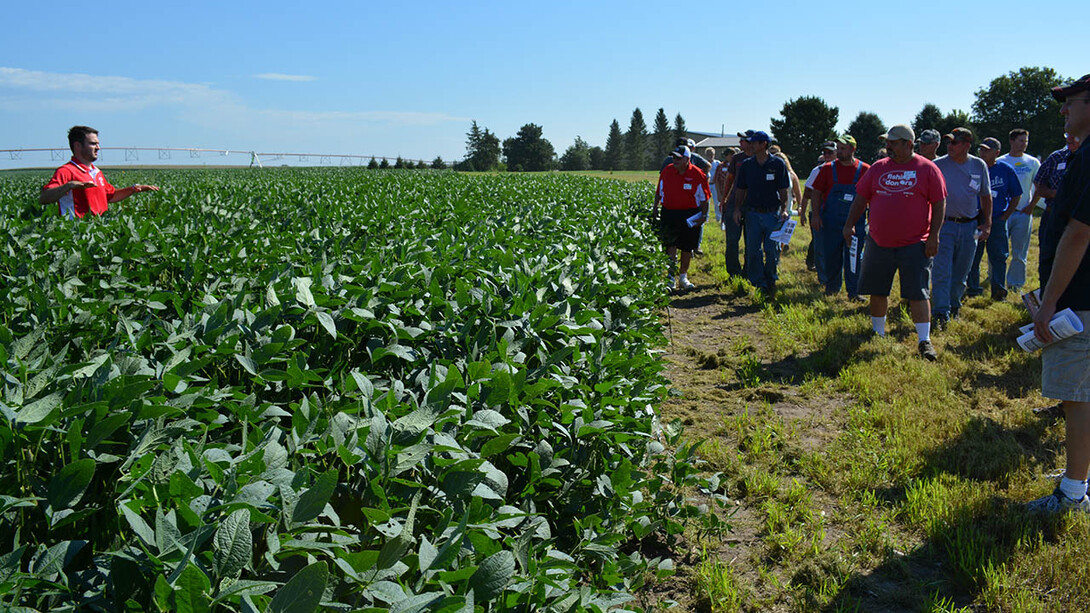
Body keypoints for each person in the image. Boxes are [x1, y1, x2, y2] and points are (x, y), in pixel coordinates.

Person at [1024, 74, 1090, 514]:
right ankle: (1080, 475)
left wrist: (1048, 304)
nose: (1063, 109)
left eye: (1071, 101)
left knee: (1078, 397)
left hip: (1079, 299)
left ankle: (1071, 494)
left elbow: (1079, 233)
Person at [843, 124, 947, 360]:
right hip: (879, 241)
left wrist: (934, 235)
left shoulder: (928, 169)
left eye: (893, 142)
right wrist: (849, 224)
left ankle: (924, 340)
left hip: (915, 243)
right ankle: (878, 334)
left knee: (918, 293)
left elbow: (940, 204)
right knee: (877, 290)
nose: (888, 146)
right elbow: (860, 199)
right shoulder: (879, 168)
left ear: (908, 144)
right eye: (887, 142)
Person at [931, 127, 992, 327]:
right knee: (942, 270)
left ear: (967, 145)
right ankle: (940, 311)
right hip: (944, 224)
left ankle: (954, 305)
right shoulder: (937, 165)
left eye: (954, 143)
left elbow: (985, 195)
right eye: (948, 142)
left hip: (970, 226)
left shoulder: (978, 165)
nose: (950, 146)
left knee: (961, 271)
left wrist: (987, 222)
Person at [40, 126, 159, 218]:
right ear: (77, 146)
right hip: (76, 231)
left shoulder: (96, 172)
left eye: (98, 143)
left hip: (99, 229)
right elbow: (44, 198)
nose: (98, 147)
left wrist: (134, 189)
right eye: (93, 144)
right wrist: (69, 185)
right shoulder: (66, 171)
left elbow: (110, 196)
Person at [812, 134, 871, 299]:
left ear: (853, 149)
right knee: (831, 255)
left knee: (854, 258)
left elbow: (872, 196)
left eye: (843, 148)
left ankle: (854, 291)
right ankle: (832, 288)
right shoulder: (827, 169)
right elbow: (816, 193)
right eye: (838, 148)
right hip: (831, 221)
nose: (839, 151)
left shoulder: (865, 169)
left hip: (856, 223)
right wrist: (815, 215)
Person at [733, 131, 789, 295]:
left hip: (772, 214)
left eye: (754, 142)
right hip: (752, 214)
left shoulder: (778, 164)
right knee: (753, 249)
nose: (750, 145)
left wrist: (784, 209)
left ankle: (771, 278)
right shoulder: (747, 165)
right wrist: (737, 209)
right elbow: (741, 189)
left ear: (764, 144)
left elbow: (783, 190)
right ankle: (759, 282)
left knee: (772, 249)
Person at [967, 137, 1022, 300]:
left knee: (998, 256)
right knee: (973, 255)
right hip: (976, 220)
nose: (982, 152)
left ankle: (998, 290)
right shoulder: (973, 168)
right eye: (981, 149)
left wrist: (1005, 216)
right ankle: (973, 288)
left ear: (997, 153)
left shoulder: (1005, 170)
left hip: (997, 220)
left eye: (986, 150)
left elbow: (1016, 195)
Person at [652, 146, 711, 291]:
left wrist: (703, 216)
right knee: (670, 246)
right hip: (669, 213)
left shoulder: (697, 174)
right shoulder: (667, 171)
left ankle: (683, 277)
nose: (675, 160)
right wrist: (655, 208)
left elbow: (705, 198)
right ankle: (670, 278)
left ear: (687, 159)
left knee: (687, 247)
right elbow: (659, 191)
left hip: (690, 214)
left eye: (678, 158)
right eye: (674, 157)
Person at [999, 128, 1042, 294]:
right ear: (1011, 141)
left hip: (1023, 213)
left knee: (1020, 251)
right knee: (999, 250)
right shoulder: (1001, 161)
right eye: (1021, 140)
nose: (1024, 144)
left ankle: (1015, 284)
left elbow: (1039, 186)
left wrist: (1031, 206)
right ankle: (996, 279)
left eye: (1026, 141)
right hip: (1003, 213)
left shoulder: (1032, 163)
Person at [800, 143, 837, 284]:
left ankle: (833, 274)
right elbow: (807, 193)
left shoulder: (843, 169)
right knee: (820, 245)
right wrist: (803, 212)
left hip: (836, 213)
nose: (827, 155)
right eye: (825, 152)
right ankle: (824, 278)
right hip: (818, 212)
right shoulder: (818, 170)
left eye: (830, 152)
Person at [720, 132, 755, 276]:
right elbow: (729, 179)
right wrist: (724, 199)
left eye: (744, 140)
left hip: (753, 203)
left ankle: (749, 271)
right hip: (735, 202)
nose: (740, 142)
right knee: (732, 240)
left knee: (752, 241)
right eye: (740, 140)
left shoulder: (759, 159)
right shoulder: (737, 158)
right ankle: (733, 271)